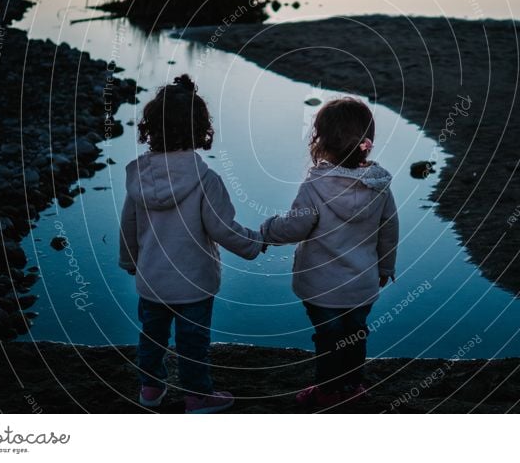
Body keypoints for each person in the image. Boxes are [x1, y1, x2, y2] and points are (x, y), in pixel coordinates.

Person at [119, 74, 263, 412]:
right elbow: (223, 230)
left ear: (150, 127)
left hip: (152, 279)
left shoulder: (139, 175)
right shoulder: (205, 180)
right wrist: (255, 243)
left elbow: (128, 224)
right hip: (194, 282)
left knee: (151, 338)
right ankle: (197, 396)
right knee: (193, 343)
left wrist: (129, 260)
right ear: (201, 129)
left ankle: (150, 390)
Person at [261, 97, 399, 409]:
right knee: (355, 335)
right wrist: (386, 267)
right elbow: (389, 229)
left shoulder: (316, 186)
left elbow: (295, 228)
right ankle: (352, 387)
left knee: (328, 340)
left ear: (320, 140)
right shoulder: (379, 186)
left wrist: (268, 230)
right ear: (368, 142)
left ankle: (326, 392)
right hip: (361, 285)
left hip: (321, 287)